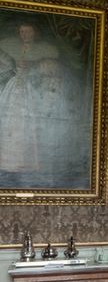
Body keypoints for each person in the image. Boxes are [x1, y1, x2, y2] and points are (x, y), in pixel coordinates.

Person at [0, 21, 75, 178]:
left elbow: (49, 72)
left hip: (32, 90)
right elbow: (7, 67)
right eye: (22, 32)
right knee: (10, 124)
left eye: (28, 32)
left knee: (29, 124)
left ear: (35, 33)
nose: (25, 35)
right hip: (14, 89)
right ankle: (8, 162)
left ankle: (27, 162)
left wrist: (33, 68)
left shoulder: (44, 51)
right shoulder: (11, 49)